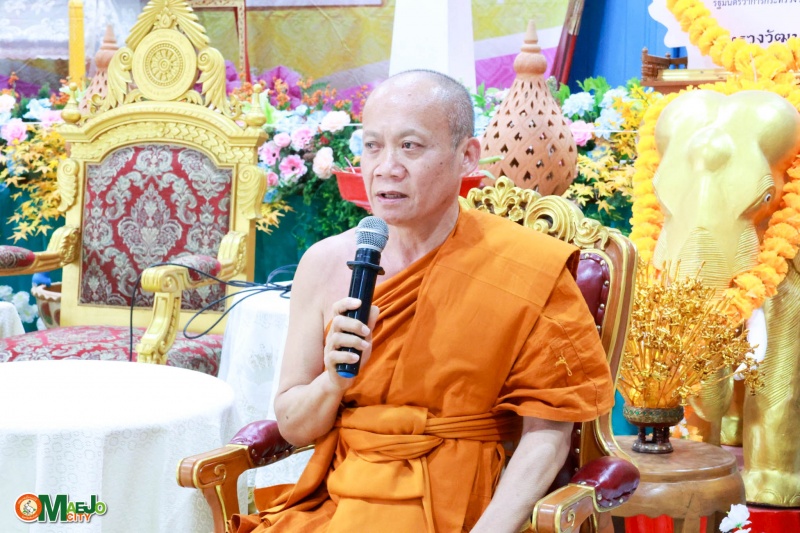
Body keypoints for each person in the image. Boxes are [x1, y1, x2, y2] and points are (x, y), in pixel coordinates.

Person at [231, 70, 614, 533]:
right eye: (372, 146)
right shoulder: (325, 263)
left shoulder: (527, 267)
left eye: (410, 146)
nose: (386, 167)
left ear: (466, 156)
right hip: (341, 504)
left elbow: (547, 436)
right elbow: (294, 426)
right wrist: (332, 382)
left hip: (466, 505)